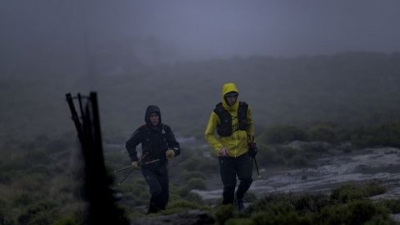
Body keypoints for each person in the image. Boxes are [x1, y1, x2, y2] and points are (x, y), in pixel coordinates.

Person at [204, 82, 258, 211]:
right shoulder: (217, 113)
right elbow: (208, 134)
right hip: (226, 155)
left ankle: (239, 198)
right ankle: (227, 210)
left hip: (243, 151)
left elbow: (250, 125)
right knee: (229, 186)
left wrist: (251, 141)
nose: (232, 99)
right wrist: (219, 148)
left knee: (247, 179)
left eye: (234, 96)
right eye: (229, 97)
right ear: (224, 97)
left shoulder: (245, 108)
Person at [125, 105, 180, 214]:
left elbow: (176, 146)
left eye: (156, 115)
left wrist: (173, 151)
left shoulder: (166, 129)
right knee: (157, 191)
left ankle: (160, 218)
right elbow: (129, 144)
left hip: (162, 166)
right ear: (148, 117)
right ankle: (150, 216)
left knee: (164, 197)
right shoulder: (142, 130)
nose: (154, 118)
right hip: (147, 167)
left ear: (159, 117)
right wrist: (134, 159)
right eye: (152, 116)